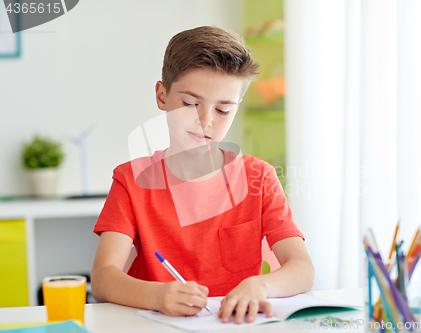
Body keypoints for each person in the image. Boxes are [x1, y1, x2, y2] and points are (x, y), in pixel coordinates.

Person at [91, 25, 314, 325]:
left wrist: (259, 285)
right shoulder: (131, 180)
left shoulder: (258, 176)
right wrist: (158, 296)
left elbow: (302, 268)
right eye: (191, 104)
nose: (205, 121)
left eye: (223, 110)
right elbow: (104, 279)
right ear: (162, 96)